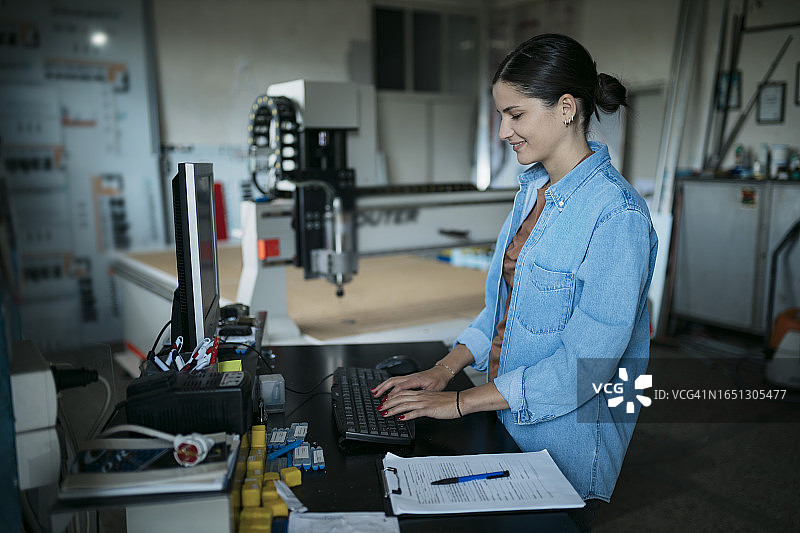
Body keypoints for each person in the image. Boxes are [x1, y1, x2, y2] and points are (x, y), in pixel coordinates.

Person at [372, 33, 658, 529]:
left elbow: (583, 368)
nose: (504, 130)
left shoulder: (617, 216)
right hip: (507, 414)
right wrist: (445, 369)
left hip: (563, 439)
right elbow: (502, 311)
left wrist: (457, 403)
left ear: (566, 108)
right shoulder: (531, 193)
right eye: (502, 115)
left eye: (516, 114)